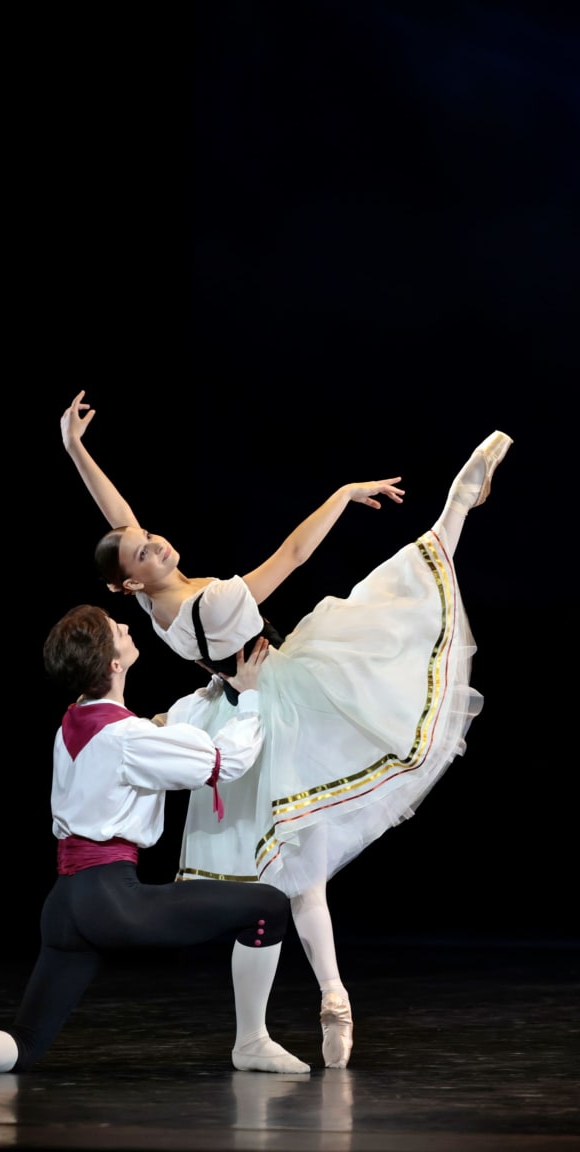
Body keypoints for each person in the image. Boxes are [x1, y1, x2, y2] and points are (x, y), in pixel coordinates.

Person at [61, 390, 513, 1070]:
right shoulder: (209, 601)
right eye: (144, 553)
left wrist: (76, 448)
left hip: (242, 700)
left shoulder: (156, 602)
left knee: (302, 875)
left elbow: (119, 521)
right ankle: (455, 509)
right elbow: (294, 555)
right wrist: (343, 494)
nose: (154, 543)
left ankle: (332, 999)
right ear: (129, 584)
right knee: (393, 609)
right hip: (277, 704)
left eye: (149, 538)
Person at [0, 605, 310, 1080]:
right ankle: (251, 1041)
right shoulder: (127, 737)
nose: (125, 627)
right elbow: (227, 761)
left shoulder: (73, 722)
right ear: (114, 663)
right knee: (268, 906)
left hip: (65, 904)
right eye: (116, 629)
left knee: (27, 1042)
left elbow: (158, 735)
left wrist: (210, 693)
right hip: (111, 900)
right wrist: (250, 696)